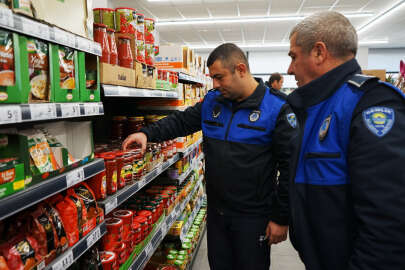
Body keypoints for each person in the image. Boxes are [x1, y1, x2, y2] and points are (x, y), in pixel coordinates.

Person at [123, 43, 296, 270]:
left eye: (219, 77)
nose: (214, 84)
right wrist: (147, 133)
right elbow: (181, 121)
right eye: (212, 78)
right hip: (216, 213)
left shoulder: (277, 108)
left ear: (241, 69)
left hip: (253, 218)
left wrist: (281, 217)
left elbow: (290, 167)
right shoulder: (213, 101)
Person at [286, 11, 405, 270]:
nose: (290, 69)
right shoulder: (317, 107)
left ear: (319, 52)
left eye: (294, 56)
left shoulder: (371, 105)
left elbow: (388, 224)